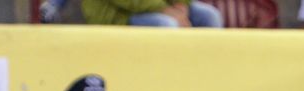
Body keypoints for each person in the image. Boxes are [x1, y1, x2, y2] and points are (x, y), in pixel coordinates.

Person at [81, 0, 223, 25]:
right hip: (119, 15)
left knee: (210, 16)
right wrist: (165, 10)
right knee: (166, 24)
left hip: (163, 6)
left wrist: (181, 5)